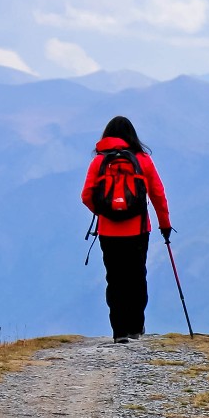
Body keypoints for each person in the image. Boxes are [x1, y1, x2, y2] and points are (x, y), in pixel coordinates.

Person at [80, 115, 172, 342]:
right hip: (138, 230)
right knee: (137, 277)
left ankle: (119, 331)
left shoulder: (99, 162)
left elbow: (86, 196)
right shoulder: (143, 161)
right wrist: (165, 224)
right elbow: (158, 195)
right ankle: (135, 328)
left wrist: (103, 212)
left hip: (109, 232)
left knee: (115, 279)